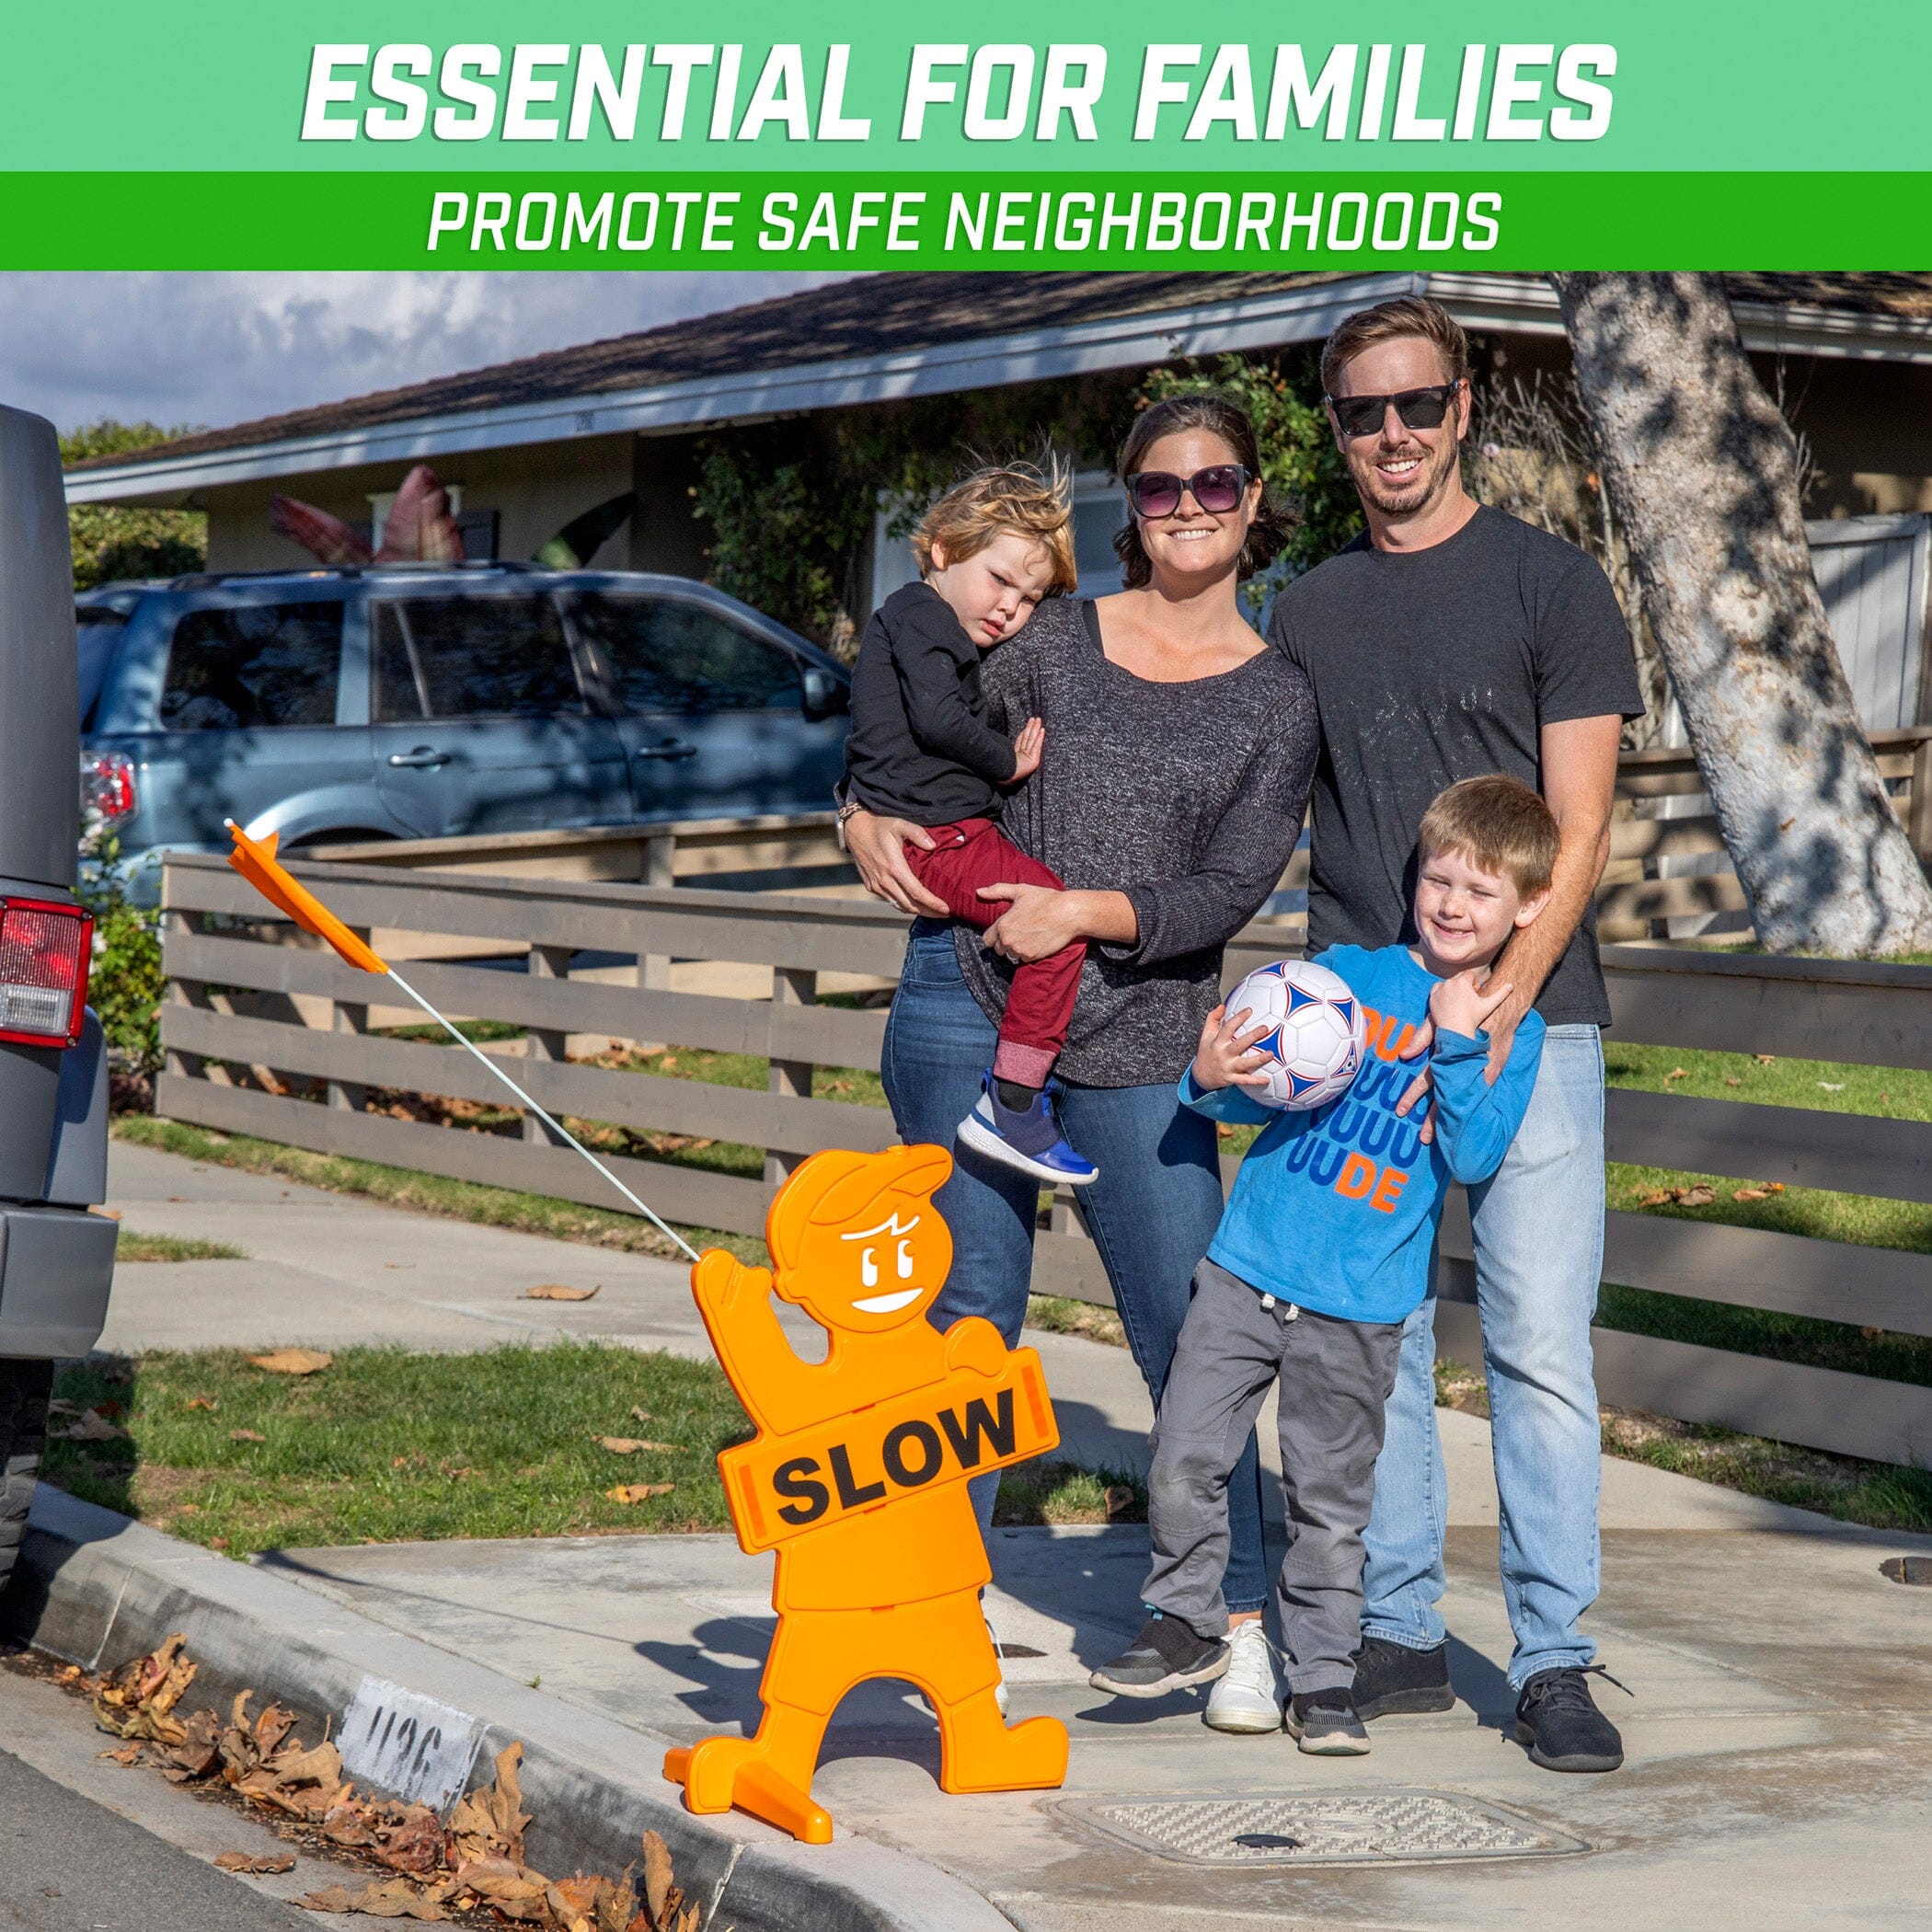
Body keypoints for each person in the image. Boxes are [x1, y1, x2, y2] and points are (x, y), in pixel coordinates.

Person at [842, 395, 1318, 1734]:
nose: (1187, 508)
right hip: (967, 1003)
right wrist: (855, 813)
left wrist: (1085, 912)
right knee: (967, 1313)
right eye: (1160, 488)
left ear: (1252, 499)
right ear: (1132, 506)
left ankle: (1232, 1621)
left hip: (1148, 1040)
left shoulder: (1278, 697)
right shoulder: (1051, 636)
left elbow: (1228, 887)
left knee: (1197, 1335)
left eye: (1213, 484)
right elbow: (906, 722)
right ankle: (934, 1608)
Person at [1269, 295, 1645, 1775]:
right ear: (1337, 427)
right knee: (1382, 1338)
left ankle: (1553, 1659)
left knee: (1539, 1348)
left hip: (1533, 1029)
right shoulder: (1308, 609)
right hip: (1366, 1035)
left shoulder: (1554, 585)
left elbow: (1582, 823)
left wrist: (1499, 993)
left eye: (1417, 404)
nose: (1394, 434)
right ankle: (1401, 1630)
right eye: (1363, 412)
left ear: (1464, 404)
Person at [1090, 776, 1554, 1753]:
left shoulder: (1515, 1029)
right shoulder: (1341, 976)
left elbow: (1473, 1156)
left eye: (1480, 891)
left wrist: (1457, 1046)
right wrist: (1208, 1081)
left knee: (1330, 1509)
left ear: (1529, 906)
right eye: (1439, 880)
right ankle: (1187, 1619)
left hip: (1359, 1306)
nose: (1453, 905)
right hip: (1245, 1270)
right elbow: (1256, 1093)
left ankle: (1325, 1682)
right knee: (1183, 1454)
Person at [843, 463, 1096, 1185]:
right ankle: (1013, 1101)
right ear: (944, 550)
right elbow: (938, 718)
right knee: (1053, 923)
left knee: (1048, 915)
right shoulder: (925, 616)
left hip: (940, 830)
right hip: (943, 836)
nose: (1011, 607)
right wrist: (1007, 761)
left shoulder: (909, 620)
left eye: (1031, 597)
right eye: (1000, 580)